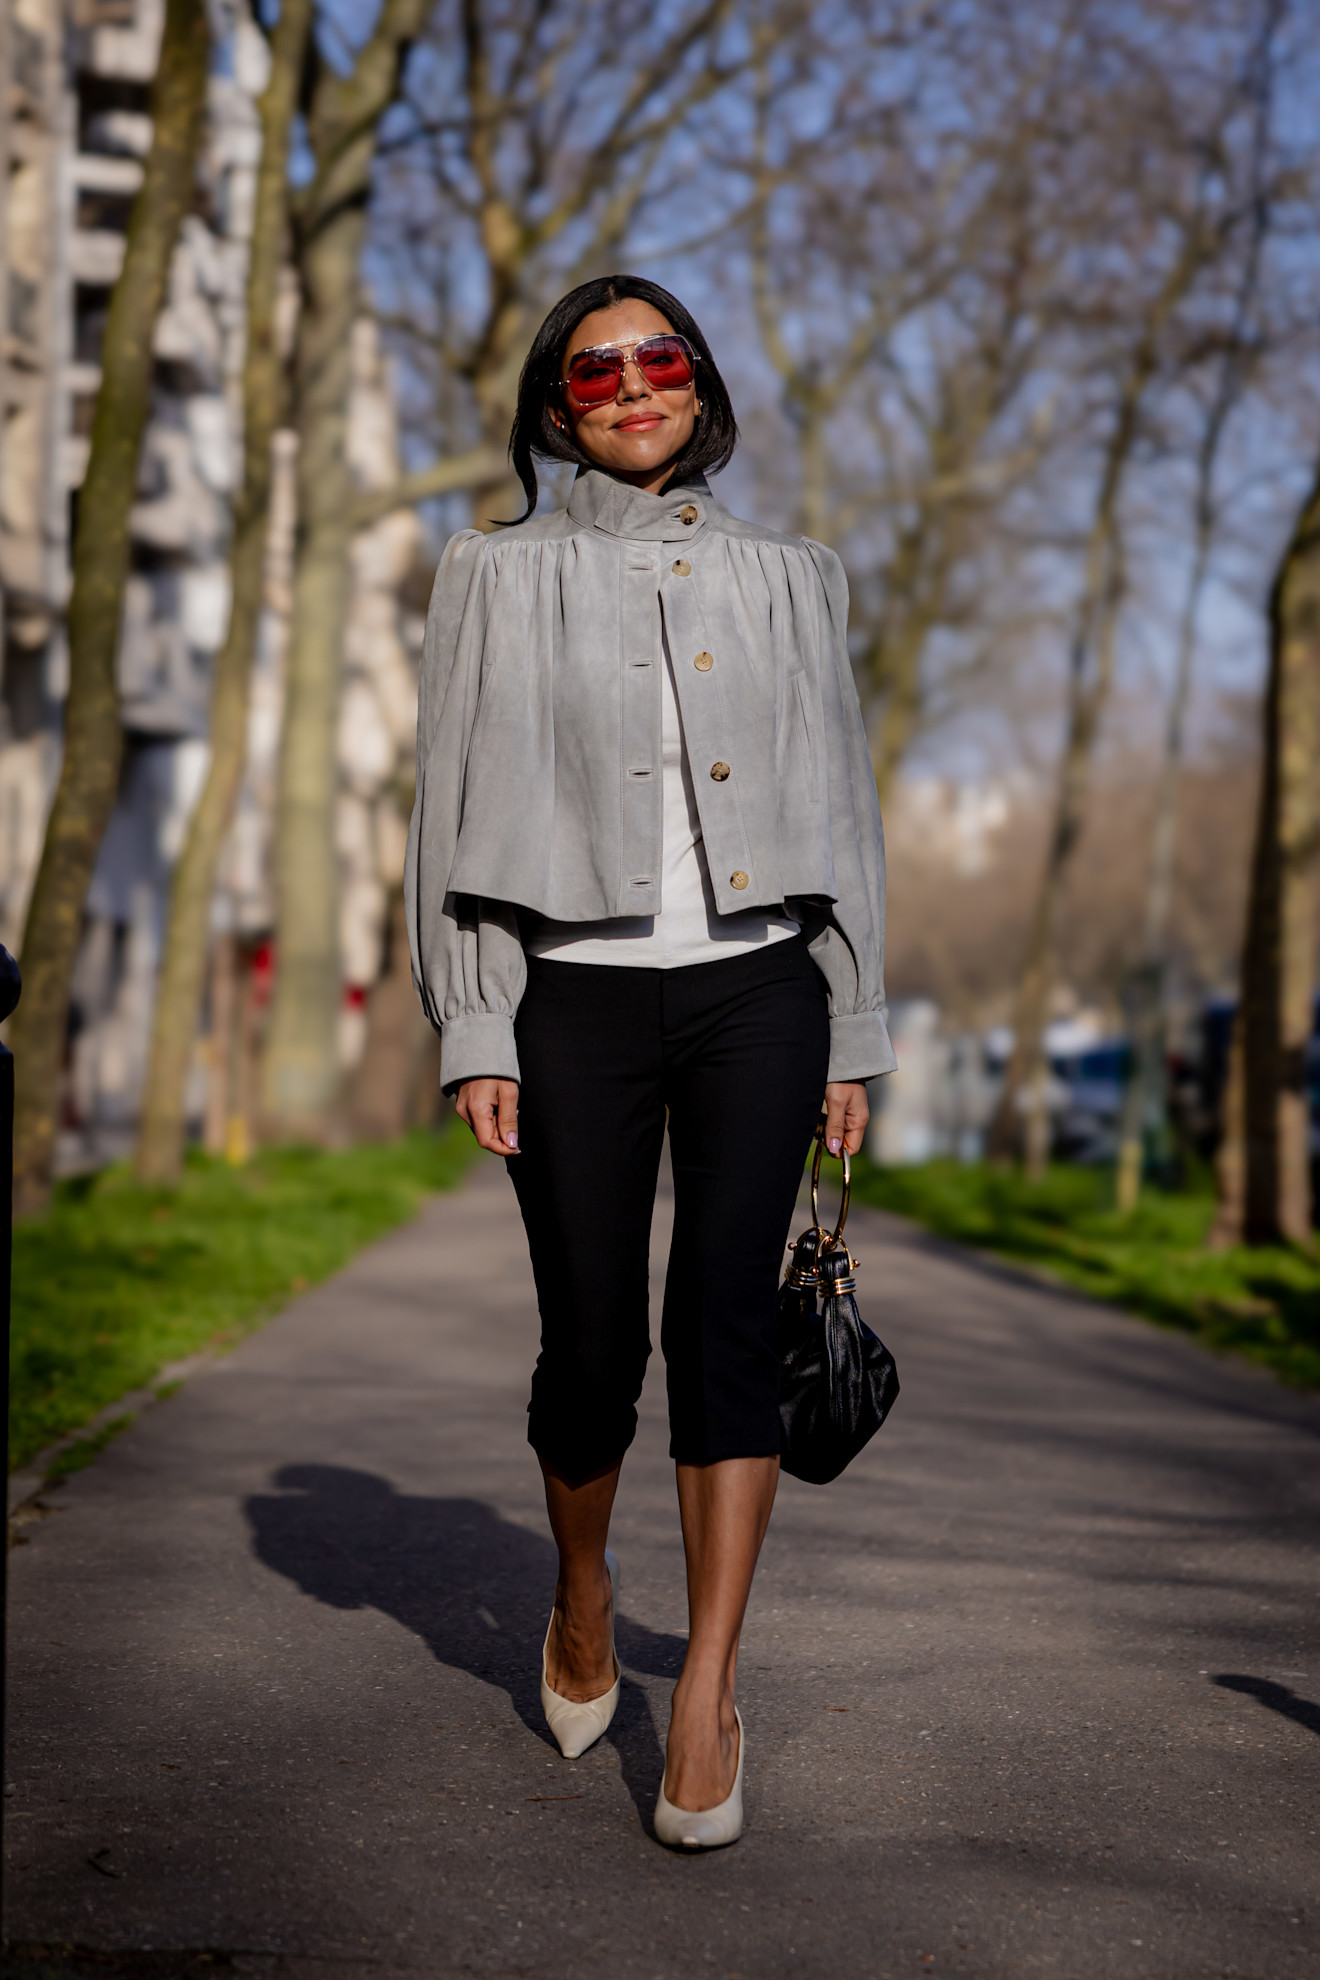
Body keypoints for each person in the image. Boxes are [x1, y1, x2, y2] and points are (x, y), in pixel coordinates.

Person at [405, 274, 895, 1850]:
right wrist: (475, 1016)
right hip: (574, 1000)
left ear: (701, 382)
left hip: (764, 992)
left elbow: (844, 807)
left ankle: (709, 1697)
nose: (632, 385)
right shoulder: (488, 576)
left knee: (727, 1332)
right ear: (558, 402)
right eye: (596, 367)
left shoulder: (796, 574)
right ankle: (585, 1593)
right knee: (592, 1346)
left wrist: (855, 1025)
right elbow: (446, 813)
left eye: (660, 356)